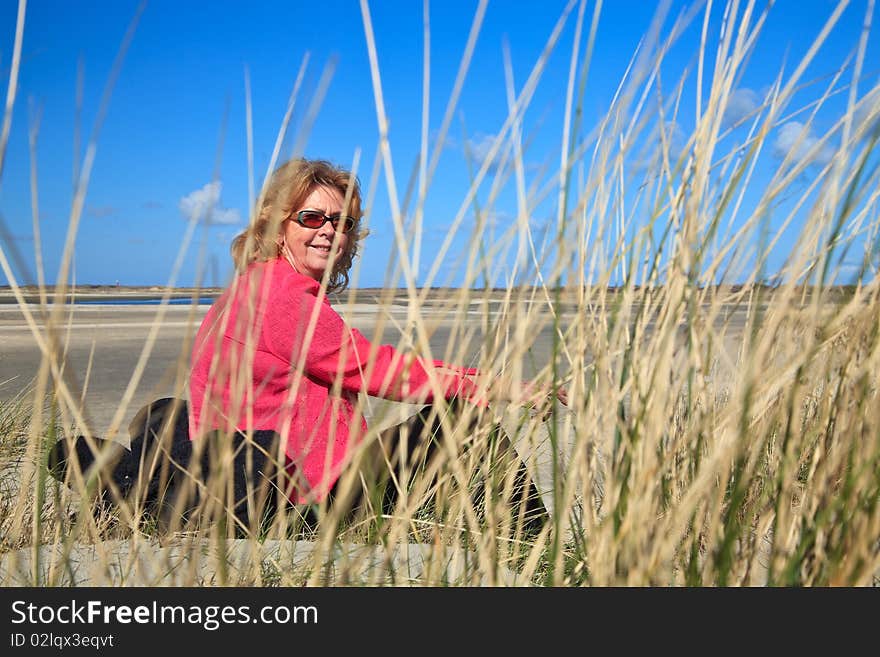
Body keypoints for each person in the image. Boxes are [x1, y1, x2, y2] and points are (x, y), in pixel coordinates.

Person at [49, 157, 565, 536]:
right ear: (277, 225)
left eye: (341, 222)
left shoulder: (249, 288)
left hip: (270, 479)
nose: (328, 233)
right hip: (306, 498)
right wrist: (493, 387)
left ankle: (124, 477)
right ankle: (537, 552)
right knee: (458, 425)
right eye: (311, 218)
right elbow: (379, 371)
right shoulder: (281, 299)